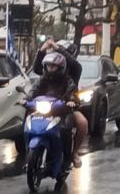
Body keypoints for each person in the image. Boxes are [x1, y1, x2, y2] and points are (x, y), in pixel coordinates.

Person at [32, 38, 87, 168]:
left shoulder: (74, 70)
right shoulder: (48, 72)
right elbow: (37, 68)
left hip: (66, 105)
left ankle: (73, 153)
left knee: (82, 122)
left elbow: (74, 64)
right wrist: (42, 49)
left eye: (62, 55)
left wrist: (56, 47)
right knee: (28, 115)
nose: (53, 66)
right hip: (46, 105)